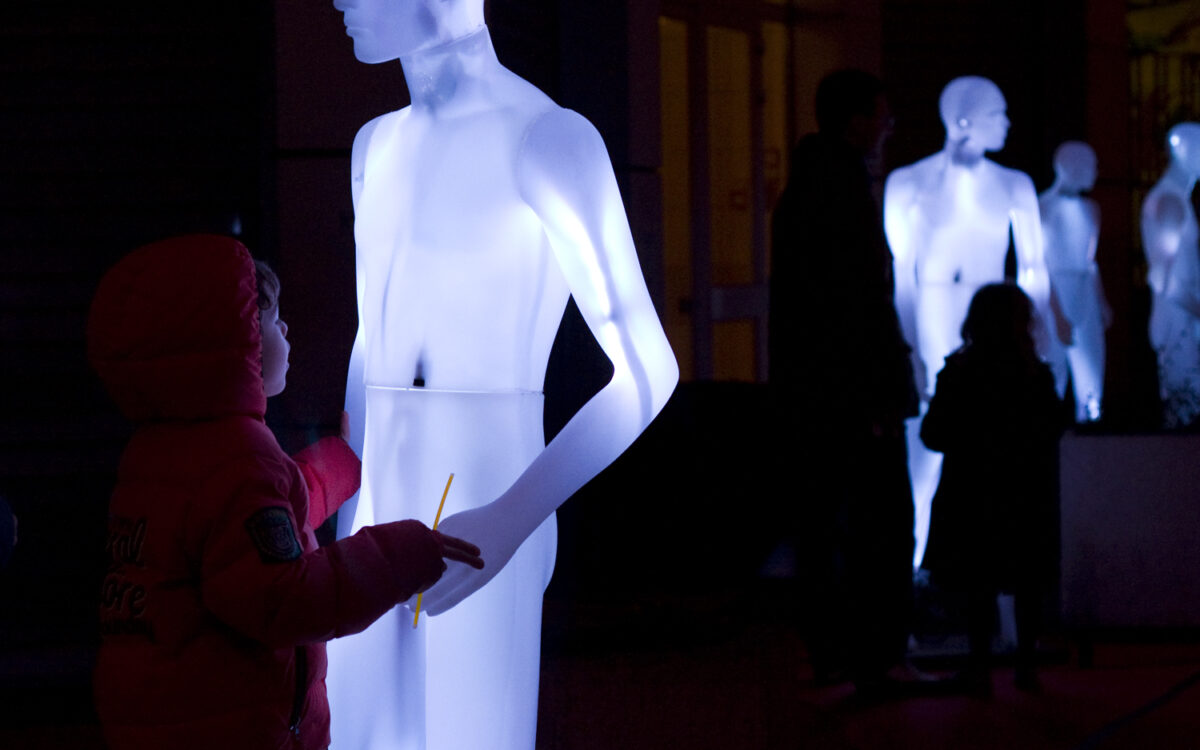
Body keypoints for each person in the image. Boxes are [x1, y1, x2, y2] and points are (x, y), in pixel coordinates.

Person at [326, 1, 679, 748]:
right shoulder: (373, 146)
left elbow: (648, 369)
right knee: (357, 735)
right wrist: (346, 494)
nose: (341, 1)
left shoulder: (546, 139)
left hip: (481, 491)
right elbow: (374, 334)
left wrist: (512, 518)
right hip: (376, 496)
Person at [87, 234, 483, 750]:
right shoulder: (236, 459)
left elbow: (248, 538)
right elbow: (286, 598)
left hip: (168, 716)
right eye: (273, 319)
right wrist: (401, 554)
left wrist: (338, 465)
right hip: (235, 729)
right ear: (233, 346)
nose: (287, 328)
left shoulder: (165, 453)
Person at [769, 69, 921, 692]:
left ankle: (832, 649)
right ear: (856, 120)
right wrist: (884, 386)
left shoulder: (810, 185)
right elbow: (858, 300)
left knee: (824, 518)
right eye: (882, 118)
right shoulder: (843, 191)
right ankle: (875, 653)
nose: (887, 130)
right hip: (854, 393)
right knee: (878, 520)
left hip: (820, 391)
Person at [884, 75, 1059, 565]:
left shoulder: (1015, 184)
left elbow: (1032, 267)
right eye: (994, 114)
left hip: (997, 321)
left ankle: (1004, 593)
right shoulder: (908, 184)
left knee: (1000, 447)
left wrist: (1036, 334)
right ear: (962, 120)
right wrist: (911, 348)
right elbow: (903, 274)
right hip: (935, 313)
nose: (1006, 123)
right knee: (927, 448)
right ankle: (917, 570)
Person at [921, 283, 1063, 695]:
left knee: (977, 581)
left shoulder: (959, 372)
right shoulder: (1035, 375)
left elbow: (933, 435)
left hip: (971, 492)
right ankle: (1025, 665)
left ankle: (979, 666)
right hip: (1023, 493)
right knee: (1026, 581)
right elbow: (1052, 429)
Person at [1040, 140, 1110, 423]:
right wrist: (1057, 314)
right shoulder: (1043, 206)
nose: (1094, 172)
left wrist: (1101, 301)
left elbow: (1090, 261)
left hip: (1085, 296)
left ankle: (1091, 429)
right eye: (1089, 165)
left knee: (1092, 375)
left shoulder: (1092, 209)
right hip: (1054, 293)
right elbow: (1039, 263)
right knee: (1052, 372)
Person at [1141, 122, 1200, 428]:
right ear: (1182, 150)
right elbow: (1165, 276)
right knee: (1185, 411)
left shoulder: (1176, 199)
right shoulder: (1170, 201)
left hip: (1184, 314)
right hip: (1180, 318)